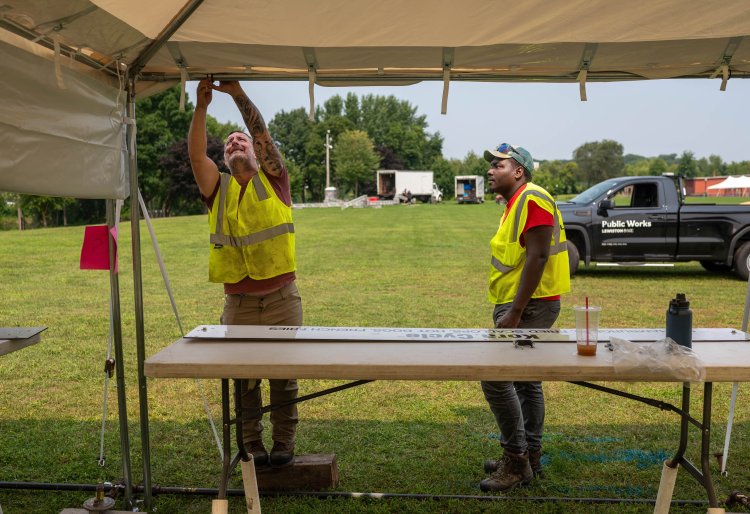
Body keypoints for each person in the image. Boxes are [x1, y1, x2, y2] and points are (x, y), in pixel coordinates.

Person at [188, 79, 302, 468]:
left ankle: (284, 443)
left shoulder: (275, 179)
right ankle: (251, 445)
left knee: (284, 377)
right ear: (223, 159)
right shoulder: (216, 189)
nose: (236, 143)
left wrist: (237, 95)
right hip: (237, 302)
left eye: (242, 141)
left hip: (282, 298)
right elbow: (195, 154)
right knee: (245, 379)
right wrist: (201, 107)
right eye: (228, 144)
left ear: (257, 153)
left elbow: (260, 132)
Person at [479, 143, 570, 492]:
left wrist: (515, 311)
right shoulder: (517, 202)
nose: (490, 170)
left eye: (497, 165)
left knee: (496, 377)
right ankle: (529, 455)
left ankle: (517, 462)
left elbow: (537, 257)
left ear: (518, 171)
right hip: (526, 304)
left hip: (529, 306)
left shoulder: (532, 197)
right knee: (526, 381)